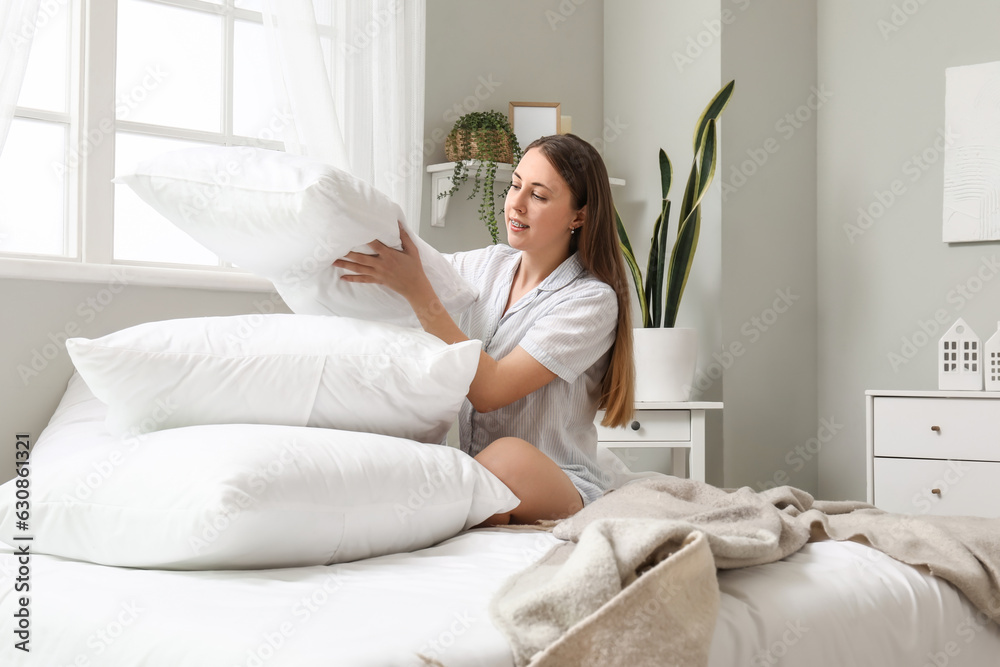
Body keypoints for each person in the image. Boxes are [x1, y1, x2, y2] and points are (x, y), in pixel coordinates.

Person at [334, 133, 635, 525]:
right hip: (476, 467)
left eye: (539, 196)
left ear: (579, 216)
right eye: (515, 185)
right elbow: (411, 262)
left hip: (558, 481)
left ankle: (474, 505)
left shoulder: (591, 301)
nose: (516, 203)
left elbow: (490, 391)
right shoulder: (488, 265)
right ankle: (479, 509)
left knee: (506, 458)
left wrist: (418, 292)